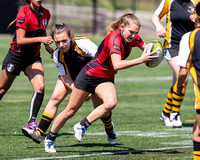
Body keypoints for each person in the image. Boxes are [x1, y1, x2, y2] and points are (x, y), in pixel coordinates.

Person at [31, 10, 158, 153]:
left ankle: (82, 125)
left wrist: (155, 53)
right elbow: (117, 65)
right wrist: (142, 60)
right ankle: (49, 138)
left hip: (106, 77)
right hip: (89, 75)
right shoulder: (114, 39)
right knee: (70, 111)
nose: (133, 35)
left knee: (110, 103)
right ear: (122, 27)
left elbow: (149, 49)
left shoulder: (133, 37)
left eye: (136, 32)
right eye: (131, 32)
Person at [21, 23, 118, 153]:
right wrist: (78, 90)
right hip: (71, 76)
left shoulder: (83, 44)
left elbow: (101, 60)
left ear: (71, 37)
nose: (61, 45)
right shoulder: (57, 55)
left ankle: (109, 128)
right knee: (55, 98)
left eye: (64, 41)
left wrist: (89, 87)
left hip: (93, 75)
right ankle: (40, 133)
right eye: (57, 42)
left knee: (99, 107)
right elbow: (66, 78)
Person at [0, 0, 54, 129]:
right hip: (16, 57)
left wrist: (47, 46)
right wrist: (41, 39)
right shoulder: (24, 13)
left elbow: (42, 30)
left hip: (33, 58)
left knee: (40, 87)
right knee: (1, 90)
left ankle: (31, 122)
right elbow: (20, 40)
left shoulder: (46, 13)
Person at [152, 0, 199, 127]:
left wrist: (195, 17)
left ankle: (166, 113)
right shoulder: (168, 1)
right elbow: (155, 16)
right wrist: (158, 26)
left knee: (177, 81)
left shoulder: (195, 2)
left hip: (189, 45)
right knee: (182, 78)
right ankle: (175, 114)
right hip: (172, 46)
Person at [176, 2, 200, 159]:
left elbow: (183, 71)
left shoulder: (189, 37)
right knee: (196, 128)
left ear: (196, 15)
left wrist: (179, 87)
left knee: (198, 133)